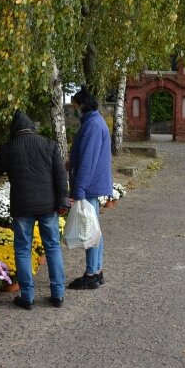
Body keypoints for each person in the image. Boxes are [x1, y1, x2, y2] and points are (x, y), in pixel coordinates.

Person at [0, 111, 70, 309]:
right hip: (48, 205)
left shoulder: (9, 148)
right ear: (32, 127)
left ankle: (27, 297)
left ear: (14, 130)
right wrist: (63, 200)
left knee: (22, 249)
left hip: (22, 207)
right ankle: (58, 294)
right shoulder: (49, 144)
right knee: (52, 246)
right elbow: (60, 174)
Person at [66, 86, 112, 290]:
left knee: (90, 230)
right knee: (95, 230)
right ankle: (97, 270)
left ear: (82, 105)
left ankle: (92, 273)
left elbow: (88, 161)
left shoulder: (92, 125)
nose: (74, 109)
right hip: (93, 184)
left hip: (90, 186)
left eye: (75, 105)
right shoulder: (94, 121)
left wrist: (79, 190)